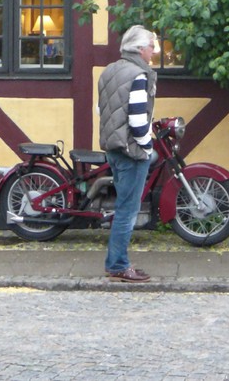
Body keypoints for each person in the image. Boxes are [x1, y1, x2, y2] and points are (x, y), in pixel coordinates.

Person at [97, 25, 159, 283]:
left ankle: (116, 262)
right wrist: (146, 146)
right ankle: (118, 265)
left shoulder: (109, 71)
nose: (153, 52)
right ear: (140, 49)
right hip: (131, 151)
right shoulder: (138, 75)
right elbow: (137, 119)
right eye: (151, 47)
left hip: (113, 148)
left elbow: (101, 110)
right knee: (127, 211)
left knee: (122, 207)